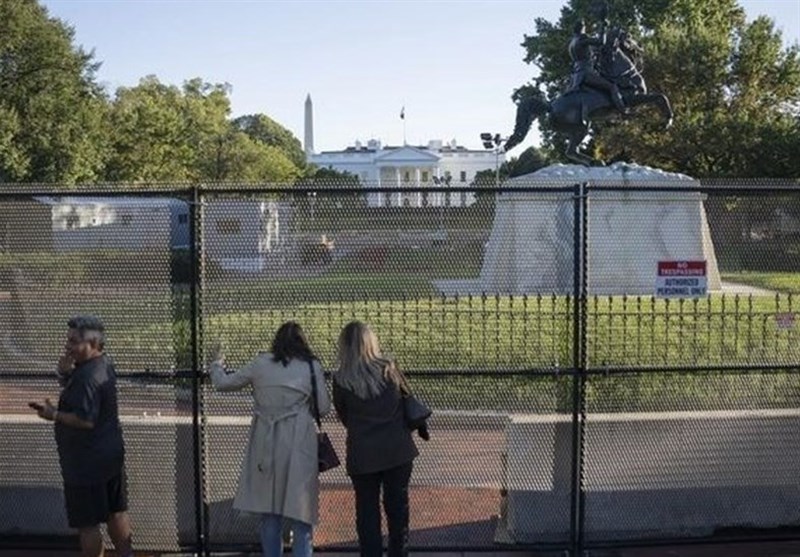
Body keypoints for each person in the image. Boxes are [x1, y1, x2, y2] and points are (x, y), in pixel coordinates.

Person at [208, 321, 331, 557]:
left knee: (269, 512)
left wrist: (217, 365)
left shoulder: (260, 363)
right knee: (301, 514)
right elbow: (323, 408)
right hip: (299, 442)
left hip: (266, 440)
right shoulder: (311, 366)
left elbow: (223, 383)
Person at [29, 315, 133, 557]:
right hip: (109, 456)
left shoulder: (88, 377)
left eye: (74, 342)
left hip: (85, 464)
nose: (68, 346)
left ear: (94, 344)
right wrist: (65, 375)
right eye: (68, 340)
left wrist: (53, 414)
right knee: (115, 511)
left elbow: (86, 419)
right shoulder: (103, 364)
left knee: (88, 525)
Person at [333, 321, 422, 557]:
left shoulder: (341, 379)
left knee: (366, 512)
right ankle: (398, 553)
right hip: (397, 450)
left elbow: (344, 417)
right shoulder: (390, 368)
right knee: (397, 510)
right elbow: (406, 400)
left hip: (363, 454)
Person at [568, 18, 627, 113]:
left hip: (577, 75)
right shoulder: (582, 38)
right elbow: (600, 42)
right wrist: (602, 26)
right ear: (582, 28)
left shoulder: (571, 43)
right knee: (612, 87)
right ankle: (623, 111)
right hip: (586, 72)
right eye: (584, 27)